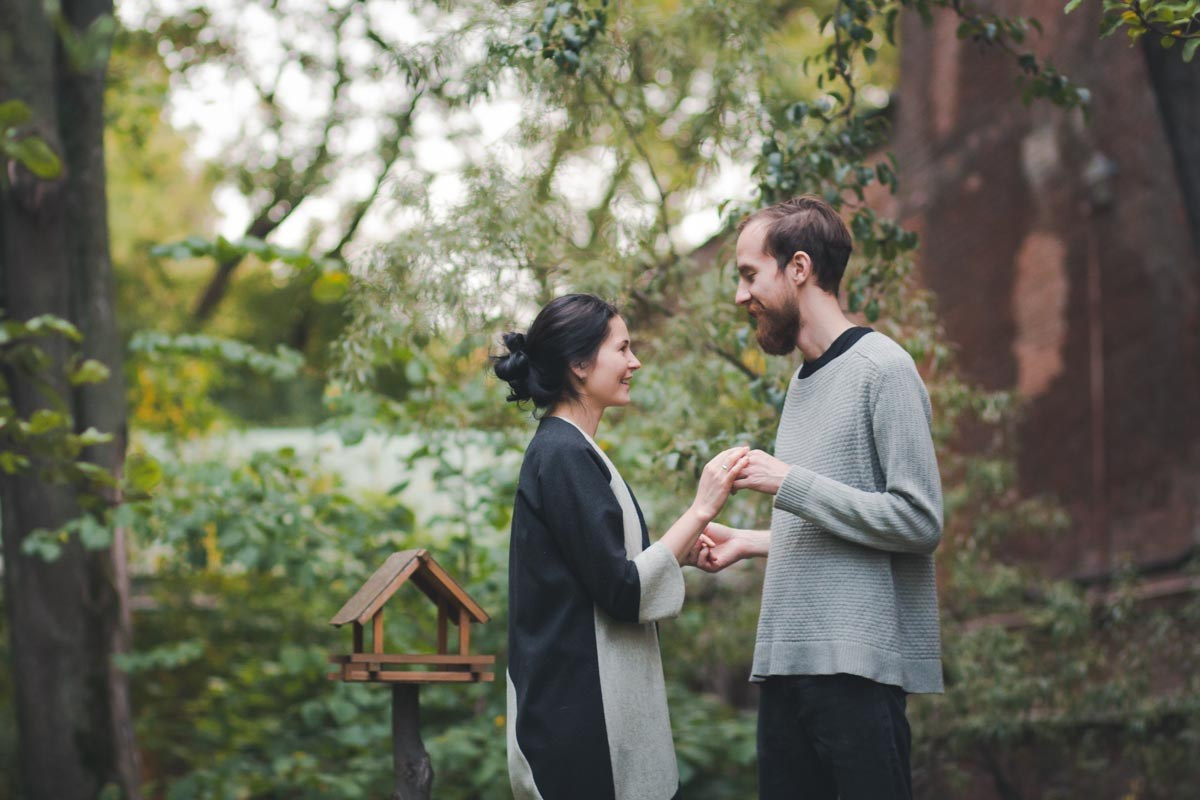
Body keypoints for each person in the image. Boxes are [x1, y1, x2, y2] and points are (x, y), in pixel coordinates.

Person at [695, 196, 944, 800]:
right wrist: (751, 543)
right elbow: (847, 527)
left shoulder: (883, 368)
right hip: (785, 666)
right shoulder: (803, 383)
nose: (740, 295)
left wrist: (790, 483)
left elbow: (918, 520)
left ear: (798, 268)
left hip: (854, 672)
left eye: (749, 274)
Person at [493, 293, 750, 800]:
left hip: (579, 712)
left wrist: (680, 553)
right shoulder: (563, 454)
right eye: (623, 348)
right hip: (577, 721)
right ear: (581, 364)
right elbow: (624, 590)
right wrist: (700, 509)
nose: (635, 362)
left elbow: (604, 570)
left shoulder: (571, 449)